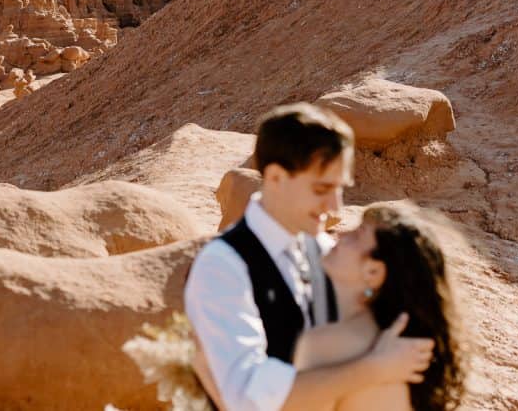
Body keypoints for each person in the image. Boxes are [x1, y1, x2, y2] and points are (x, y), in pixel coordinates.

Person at [185, 104, 434, 411]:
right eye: (321, 189)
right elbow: (249, 399)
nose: (335, 207)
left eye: (340, 189)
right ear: (276, 178)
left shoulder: (325, 249)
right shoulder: (222, 266)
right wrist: (374, 368)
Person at [290, 203, 466, 410]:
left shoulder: (330, 343)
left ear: (373, 272)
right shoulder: (399, 344)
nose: (342, 233)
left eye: (357, 235)